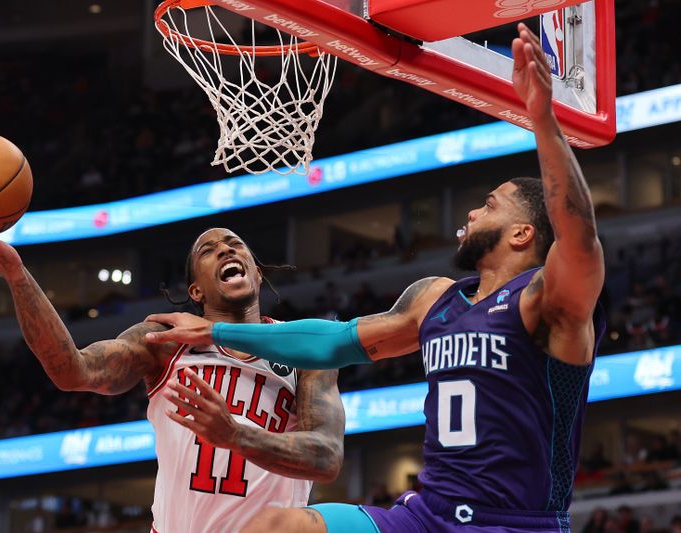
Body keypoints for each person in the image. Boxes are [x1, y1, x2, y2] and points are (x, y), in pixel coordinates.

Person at [144, 23, 606, 533]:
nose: (472, 212)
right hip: (429, 516)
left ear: (522, 233)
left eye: (489, 205)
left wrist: (541, 118)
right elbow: (333, 342)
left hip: (516, 523)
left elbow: (580, 239)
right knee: (277, 527)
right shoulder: (435, 300)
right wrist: (215, 331)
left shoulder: (547, 300)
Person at [0, 219, 345, 533]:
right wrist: (15, 272)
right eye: (208, 250)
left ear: (256, 272)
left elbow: (325, 458)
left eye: (234, 244)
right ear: (196, 291)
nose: (224, 249)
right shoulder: (166, 341)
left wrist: (235, 434)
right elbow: (73, 370)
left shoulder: (304, 350)